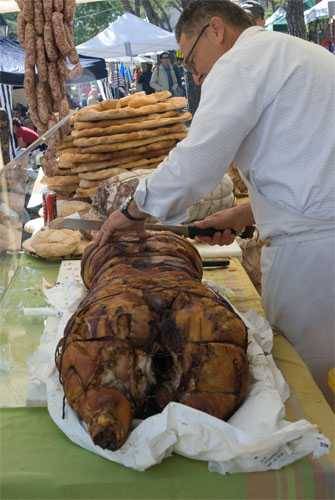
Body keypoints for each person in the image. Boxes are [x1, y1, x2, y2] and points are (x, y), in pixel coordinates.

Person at [96, 0, 335, 405]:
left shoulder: (240, 62)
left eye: (190, 60)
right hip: (317, 235)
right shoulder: (295, 53)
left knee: (305, 393)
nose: (195, 74)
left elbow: (197, 160)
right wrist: (246, 211)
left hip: (314, 258)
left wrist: (133, 211)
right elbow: (308, 164)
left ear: (216, 30)